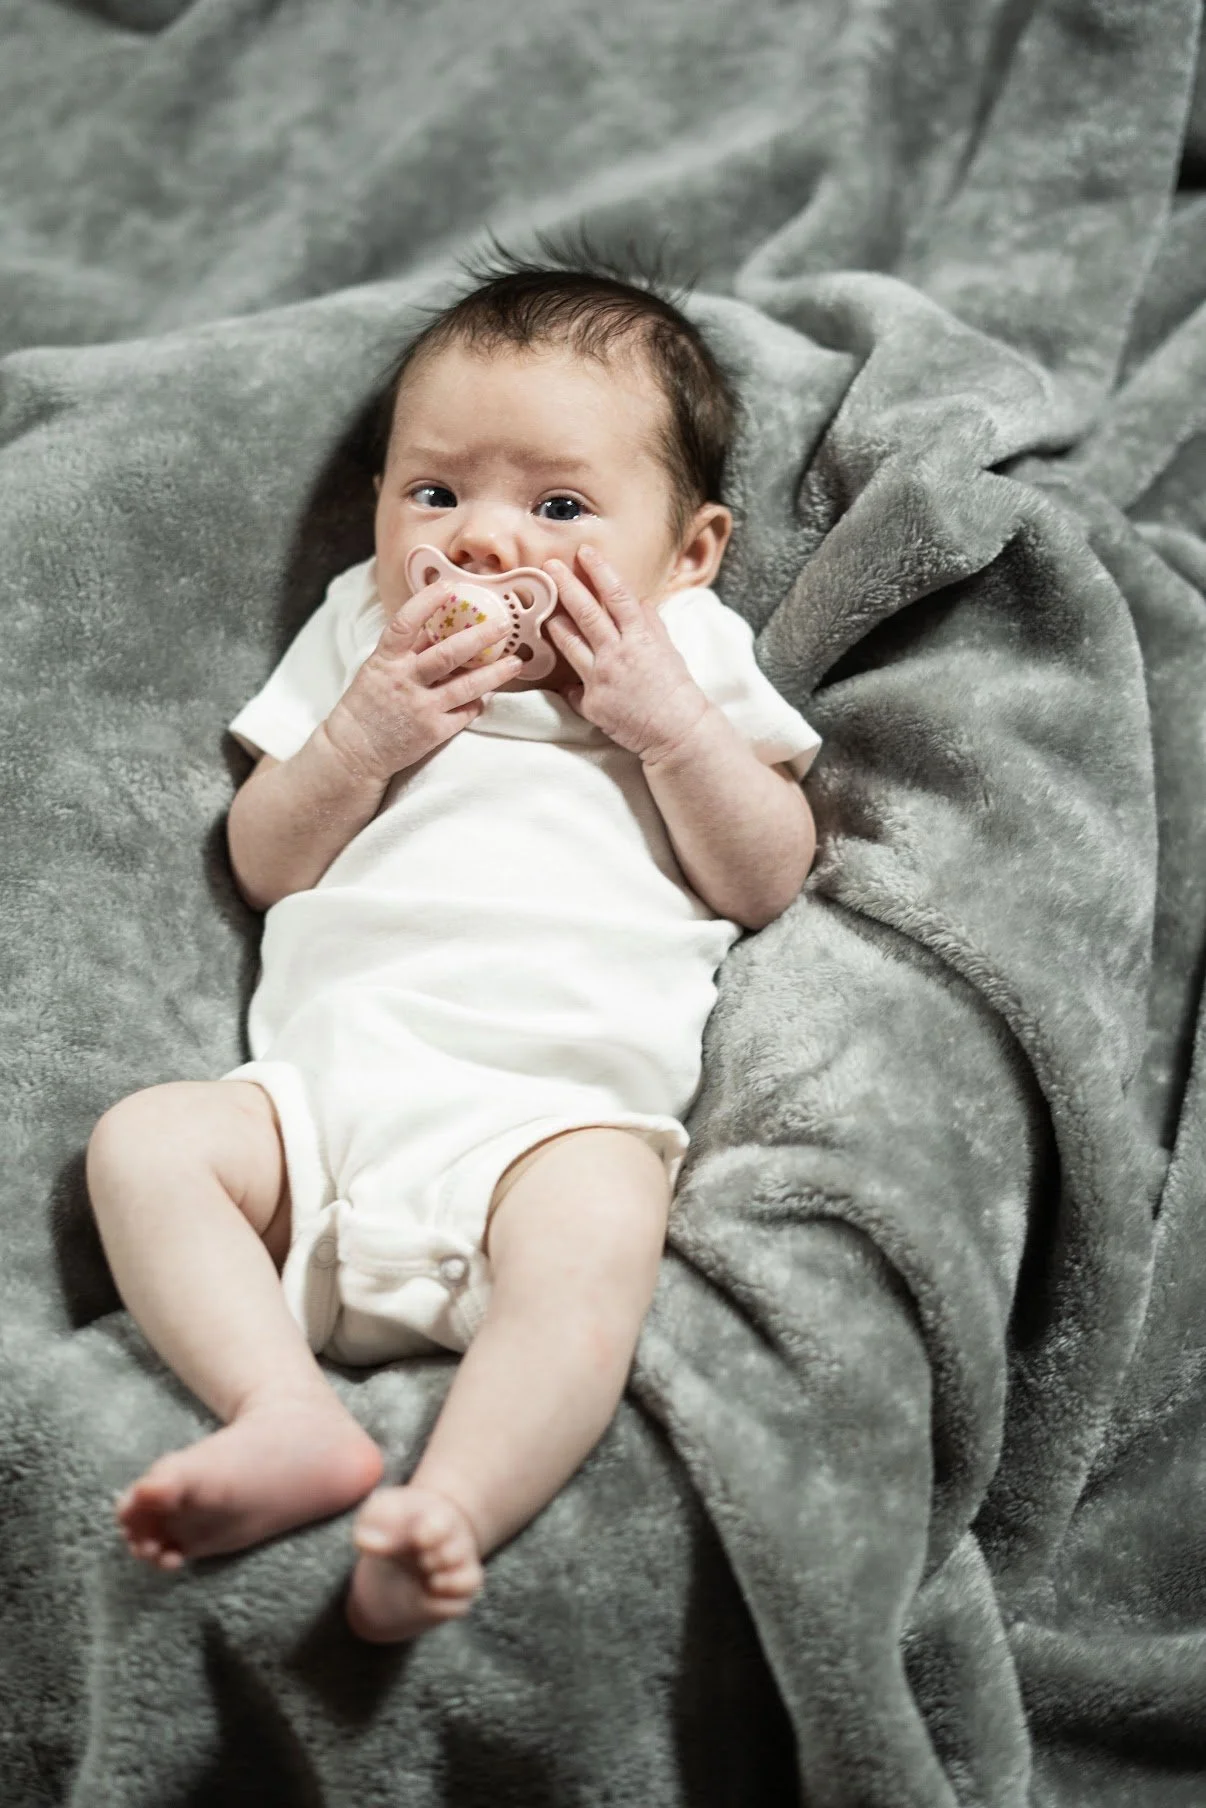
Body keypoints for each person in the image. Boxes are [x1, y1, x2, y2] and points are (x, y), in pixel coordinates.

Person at [86, 246, 822, 1643]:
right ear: (376, 509)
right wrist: (359, 739)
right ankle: (282, 1414)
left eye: (557, 505)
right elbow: (263, 861)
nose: (484, 543)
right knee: (145, 1144)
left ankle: (450, 1512)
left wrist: (665, 725)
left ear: (690, 550)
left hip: (548, 1122)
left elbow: (765, 875)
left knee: (601, 1237)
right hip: (320, 1113)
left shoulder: (689, 655)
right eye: (435, 493)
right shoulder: (365, 634)